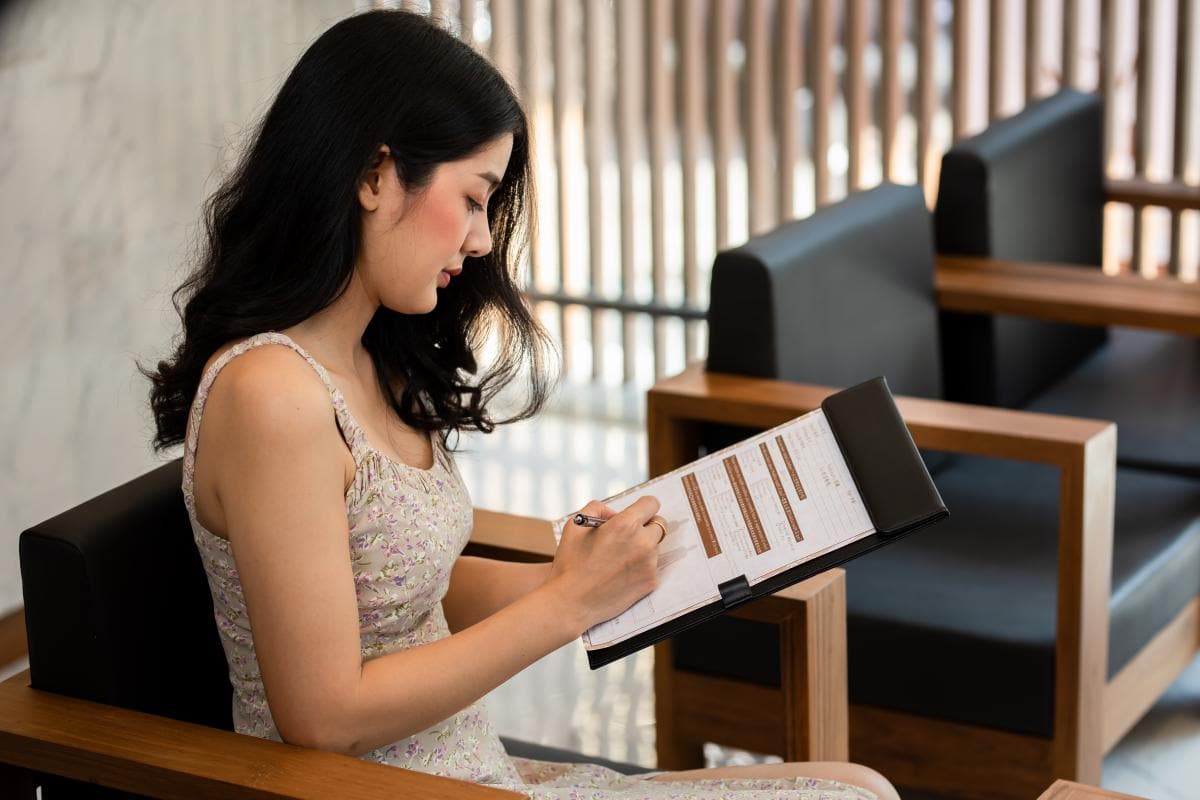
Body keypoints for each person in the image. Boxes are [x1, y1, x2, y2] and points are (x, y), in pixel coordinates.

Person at [145, 10, 897, 800]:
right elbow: (324, 717)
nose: (479, 242)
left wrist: (600, 573)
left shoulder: (371, 362)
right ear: (373, 176)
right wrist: (568, 605)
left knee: (858, 783)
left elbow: (407, 593)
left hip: (474, 774)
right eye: (474, 199)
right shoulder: (271, 397)